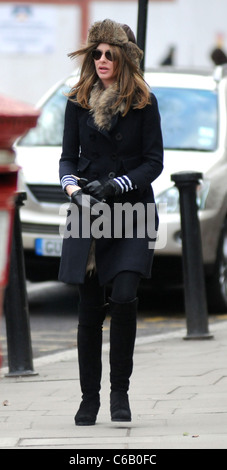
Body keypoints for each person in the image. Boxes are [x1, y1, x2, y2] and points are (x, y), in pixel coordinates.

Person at [58, 19, 163, 426]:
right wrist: (73, 189)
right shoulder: (77, 100)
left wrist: (118, 184)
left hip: (132, 211)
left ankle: (120, 392)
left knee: (122, 296)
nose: (102, 60)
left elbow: (154, 162)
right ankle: (89, 399)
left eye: (110, 54)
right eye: (96, 53)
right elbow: (67, 158)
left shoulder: (144, 102)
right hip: (87, 212)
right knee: (88, 308)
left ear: (125, 59)